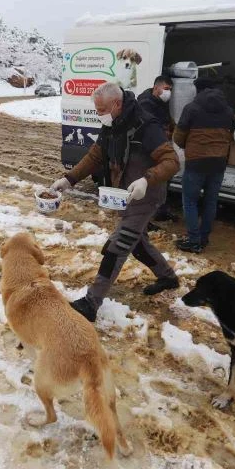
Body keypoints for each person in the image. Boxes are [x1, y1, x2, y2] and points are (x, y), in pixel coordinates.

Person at [50, 82, 180, 322]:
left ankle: (91, 302)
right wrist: (69, 179)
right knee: (138, 243)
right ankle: (168, 277)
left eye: (101, 110)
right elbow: (96, 155)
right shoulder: (112, 124)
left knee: (117, 246)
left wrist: (146, 180)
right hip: (125, 196)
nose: (99, 115)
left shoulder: (145, 125)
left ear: (117, 104)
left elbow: (172, 161)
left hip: (145, 195)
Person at [173, 77, 234, 253]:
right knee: (210, 201)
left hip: (196, 162)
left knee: (190, 201)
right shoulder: (229, 111)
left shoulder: (191, 108)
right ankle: (204, 238)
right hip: (219, 162)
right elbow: (231, 136)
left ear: (197, 90)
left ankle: (194, 240)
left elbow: (178, 136)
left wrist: (189, 146)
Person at [138, 75, 177, 225]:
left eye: (171, 90)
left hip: (161, 146)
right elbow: (151, 128)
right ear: (156, 88)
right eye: (166, 89)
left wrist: (173, 127)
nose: (169, 93)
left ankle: (161, 211)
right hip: (150, 149)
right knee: (149, 184)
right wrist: (165, 133)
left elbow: (167, 120)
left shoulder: (160, 102)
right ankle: (144, 221)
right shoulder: (145, 103)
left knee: (164, 179)